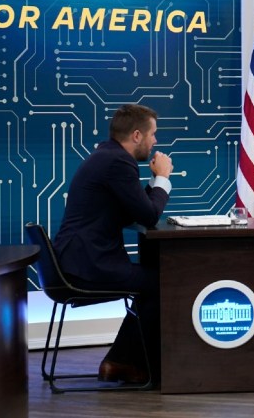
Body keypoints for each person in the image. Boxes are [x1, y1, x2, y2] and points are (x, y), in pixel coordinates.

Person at [53, 104, 173, 384]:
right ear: (136, 135)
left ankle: (121, 361)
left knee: (155, 282)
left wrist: (154, 183)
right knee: (165, 284)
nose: (155, 141)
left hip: (79, 262)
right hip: (87, 267)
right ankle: (124, 362)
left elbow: (134, 209)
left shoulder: (107, 156)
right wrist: (163, 178)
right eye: (152, 134)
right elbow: (148, 214)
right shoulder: (118, 162)